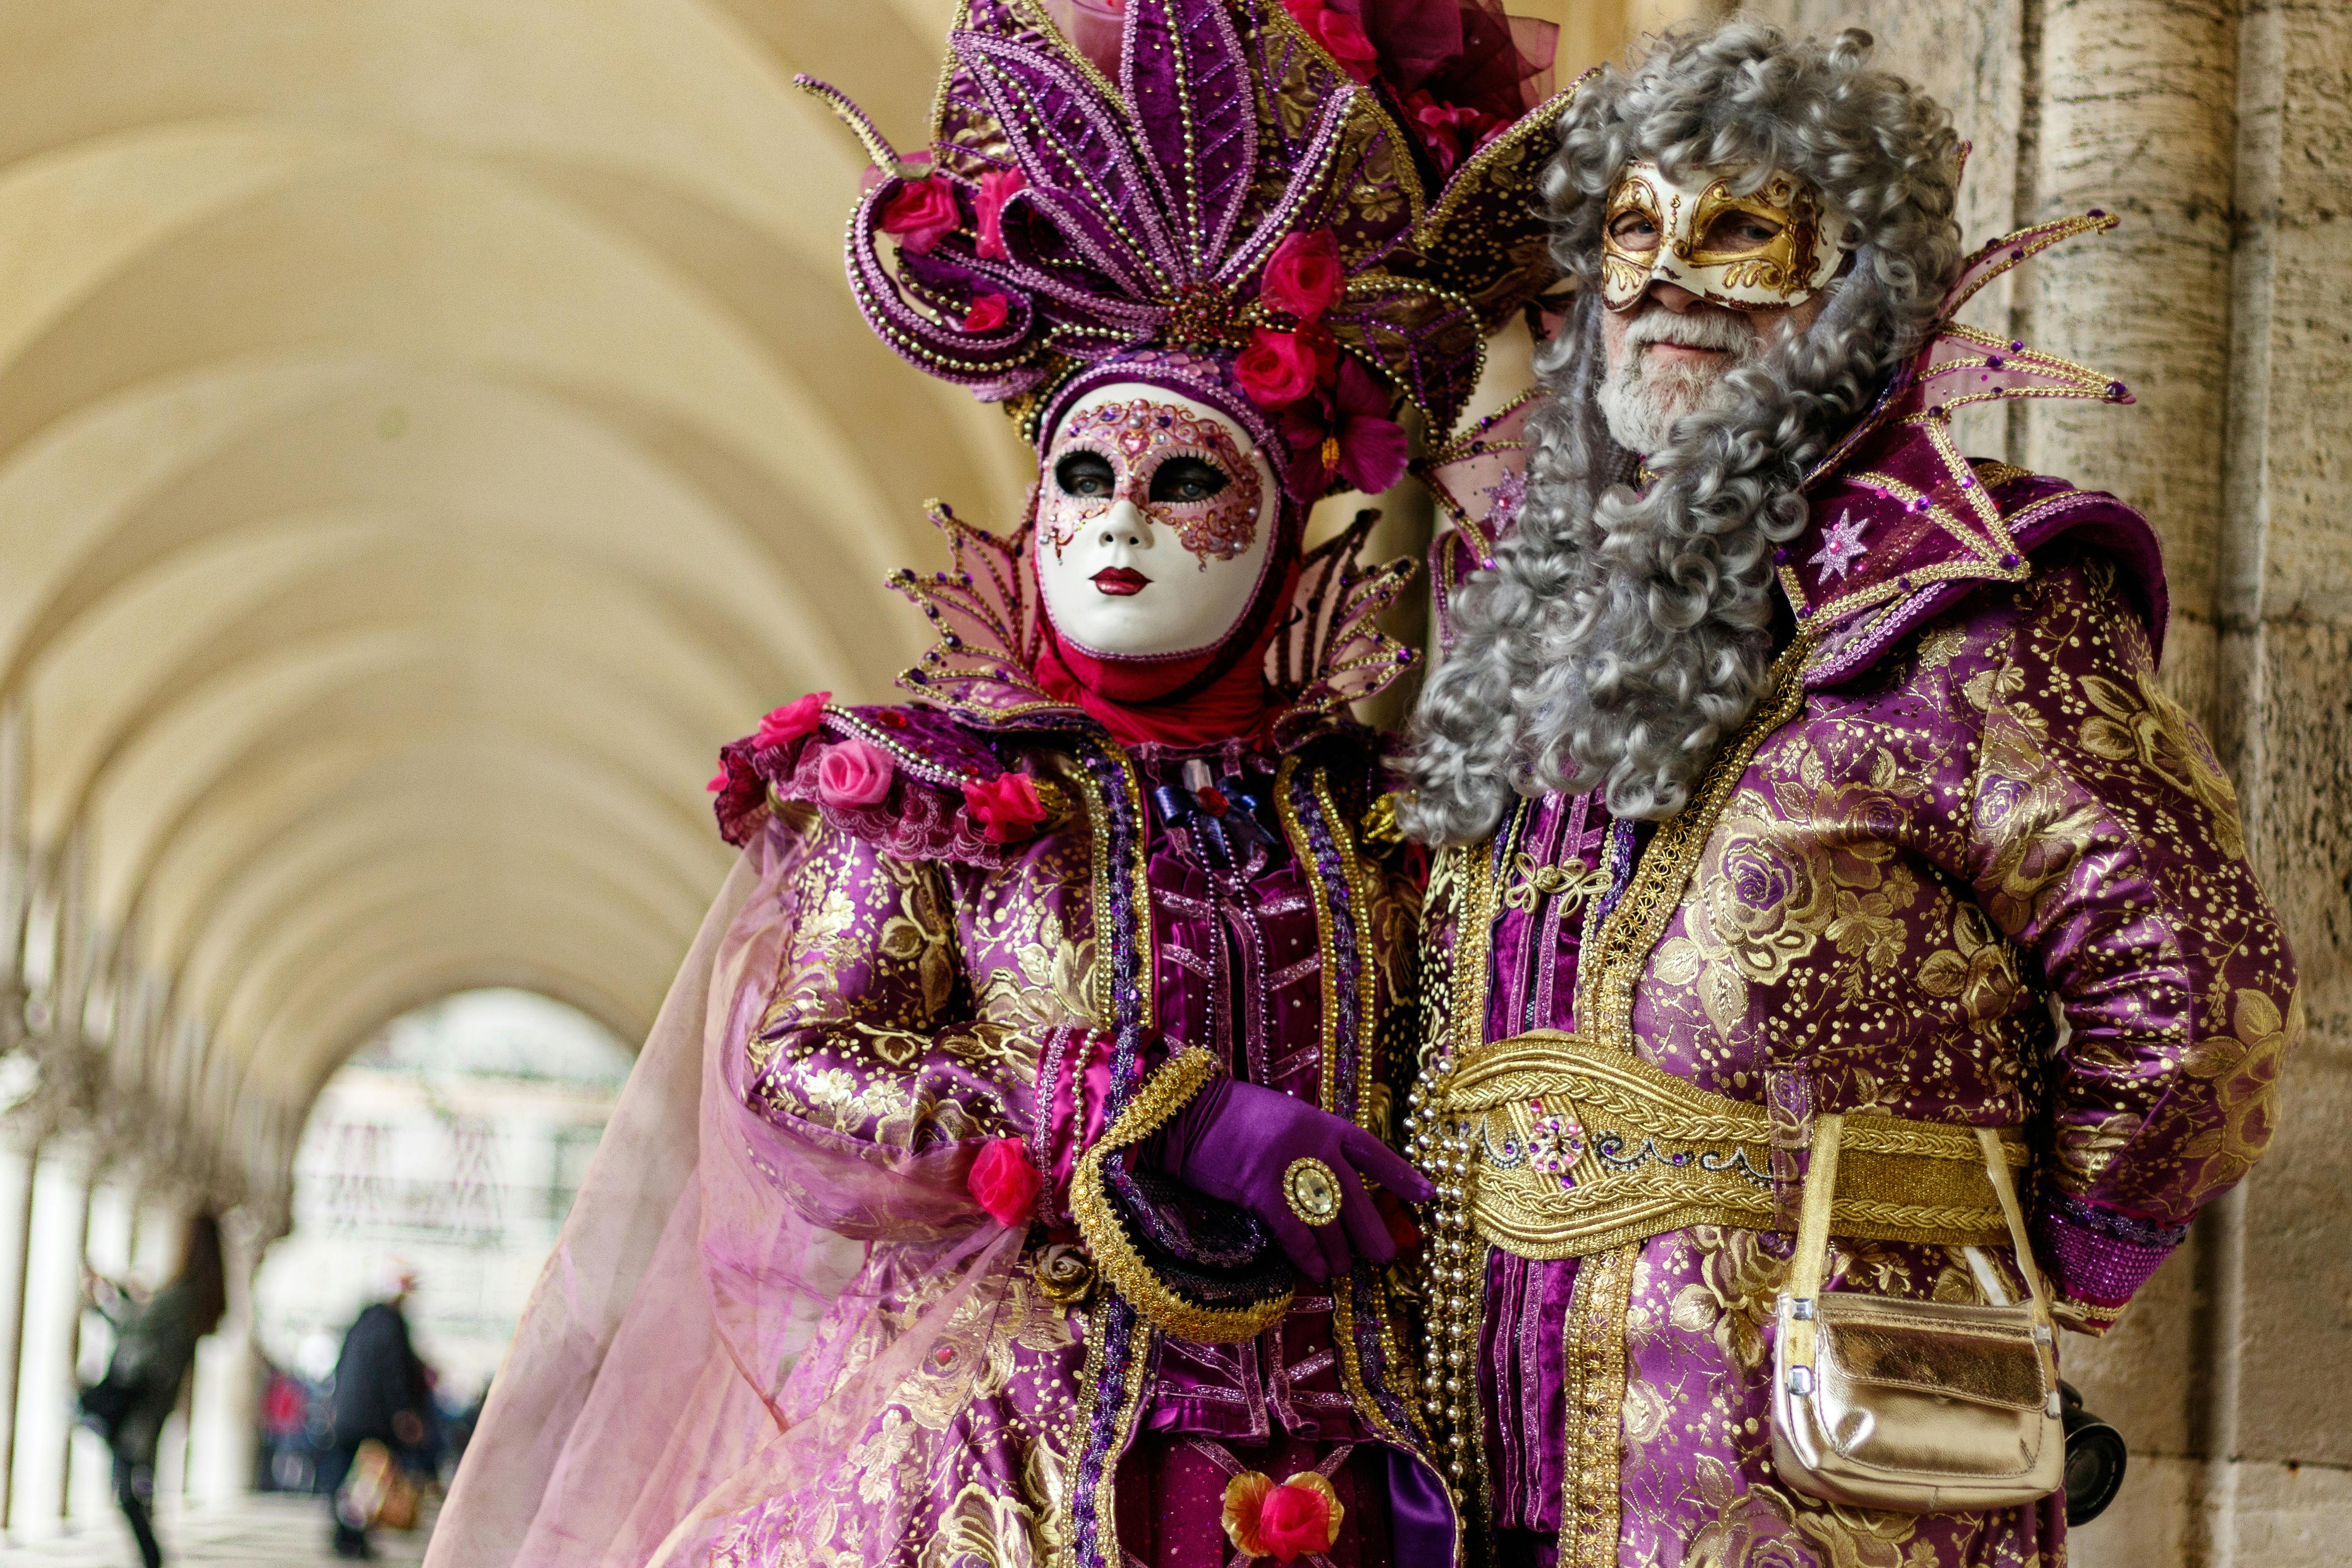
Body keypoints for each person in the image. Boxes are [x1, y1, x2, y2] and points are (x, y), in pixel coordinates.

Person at [428, 3, 1578, 1564]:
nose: (1120, 523)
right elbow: (791, 1073)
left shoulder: (1363, 814)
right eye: (1086, 477)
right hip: (1011, 1493)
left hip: (1351, 1483)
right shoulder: (921, 796)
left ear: (1280, 514)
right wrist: (1111, 1108)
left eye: (1186, 482)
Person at [1397, 20, 2302, 1568]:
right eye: (1622, 234)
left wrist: (2021, 1270)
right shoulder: (1510, 615)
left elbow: (2199, 994)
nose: (1663, 281)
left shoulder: (1970, 609)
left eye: (1739, 230)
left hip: (1806, 1450)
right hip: (1481, 1419)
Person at [80, 1213, 227, 1568]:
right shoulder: (201, 1297)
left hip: (141, 1396)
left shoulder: (181, 1295)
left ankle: (153, 1559)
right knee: (134, 1478)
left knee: (127, 1484)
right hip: (161, 1396)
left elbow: (136, 1326)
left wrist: (105, 1298)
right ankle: (152, 1557)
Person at [325, 1262, 430, 1559]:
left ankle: (345, 1534)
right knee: (371, 1480)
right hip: (374, 1418)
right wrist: (404, 1412)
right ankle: (354, 1533)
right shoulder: (392, 1324)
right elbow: (395, 1373)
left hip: (348, 1413)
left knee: (348, 1476)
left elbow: (341, 1365)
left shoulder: (360, 1321)